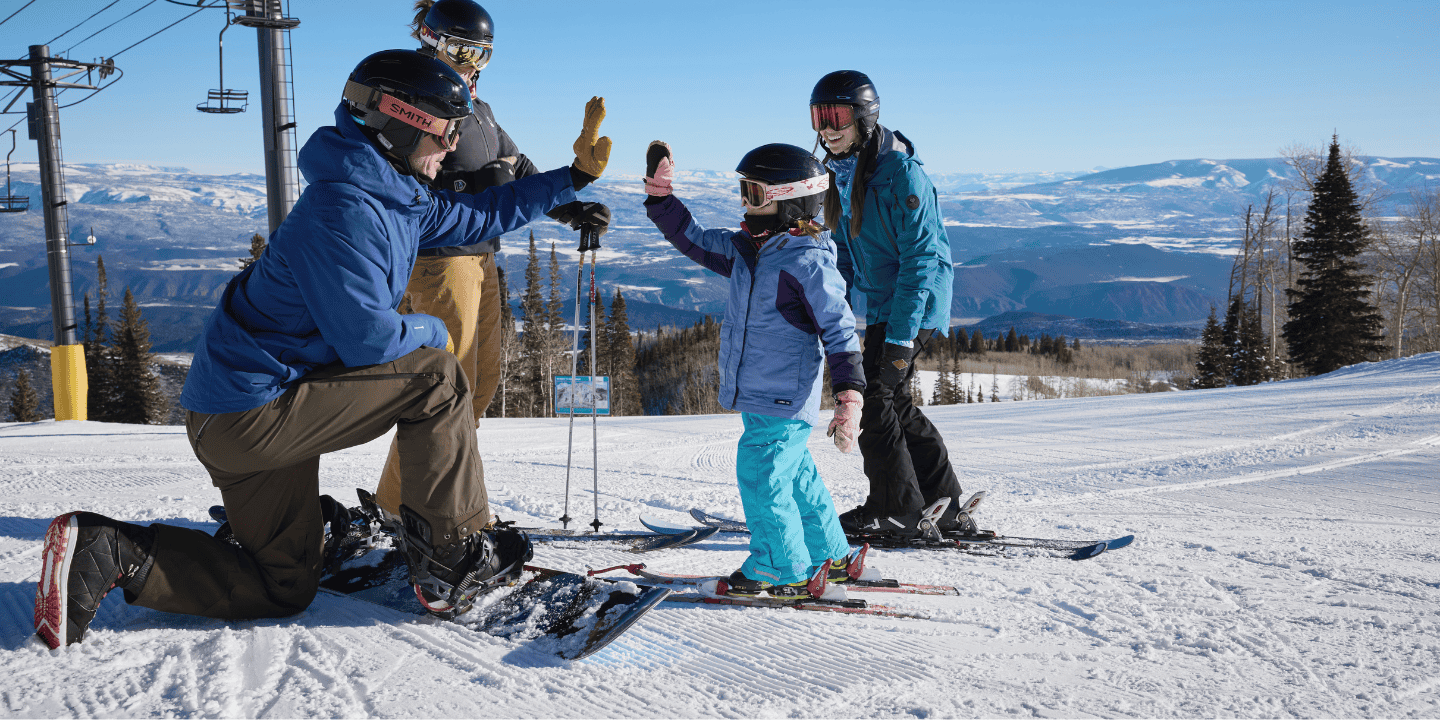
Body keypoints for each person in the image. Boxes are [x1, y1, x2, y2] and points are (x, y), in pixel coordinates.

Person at [33, 49, 613, 648]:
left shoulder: (393, 196)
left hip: (240, 415)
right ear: (401, 123)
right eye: (445, 131)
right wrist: (434, 331)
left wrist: (569, 182)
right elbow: (371, 342)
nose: (451, 146)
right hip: (253, 415)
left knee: (281, 585)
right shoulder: (346, 212)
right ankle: (452, 560)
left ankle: (110, 552)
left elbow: (474, 216)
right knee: (437, 378)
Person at [371, 0, 613, 517]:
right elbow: (400, 175)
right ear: (431, 40)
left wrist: (569, 207)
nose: (473, 63)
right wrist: (474, 185)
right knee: (444, 389)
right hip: (439, 258)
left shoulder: (477, 107)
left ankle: (416, 502)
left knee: (477, 389)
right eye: (463, 49)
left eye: (484, 53)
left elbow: (516, 166)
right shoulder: (411, 99)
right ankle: (404, 511)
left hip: (479, 255)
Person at [643, 141, 865, 597]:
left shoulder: (807, 261)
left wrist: (849, 398)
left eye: (756, 194)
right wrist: (663, 200)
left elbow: (841, 332)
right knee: (795, 475)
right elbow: (696, 241)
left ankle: (781, 567)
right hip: (764, 394)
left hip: (784, 394)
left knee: (762, 473)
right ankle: (829, 555)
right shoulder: (750, 251)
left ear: (789, 199)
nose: (747, 205)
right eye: (743, 192)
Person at [809, 70, 967, 537]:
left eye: (836, 115)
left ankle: (894, 508)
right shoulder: (841, 173)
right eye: (818, 116)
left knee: (875, 398)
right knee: (892, 399)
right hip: (885, 302)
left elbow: (921, 258)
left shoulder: (899, 172)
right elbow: (846, 256)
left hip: (913, 303)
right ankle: (944, 505)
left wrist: (900, 337)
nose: (827, 127)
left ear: (863, 117)